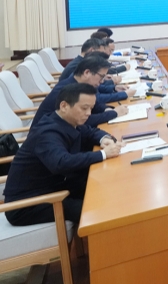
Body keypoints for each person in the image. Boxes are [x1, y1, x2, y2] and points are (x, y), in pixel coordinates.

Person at [3, 82, 124, 227]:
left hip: (53, 185)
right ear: (64, 106)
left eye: (91, 108)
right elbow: (61, 162)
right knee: (94, 210)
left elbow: (90, 131)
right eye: (84, 108)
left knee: (103, 187)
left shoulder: (66, 120)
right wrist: (103, 154)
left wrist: (104, 139)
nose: (89, 113)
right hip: (26, 205)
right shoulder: (47, 132)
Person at [32, 56, 130, 127]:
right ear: (87, 73)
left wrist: (107, 109)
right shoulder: (67, 90)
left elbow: (95, 105)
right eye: (101, 76)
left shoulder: (80, 85)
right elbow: (82, 120)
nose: (102, 81)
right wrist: (113, 113)